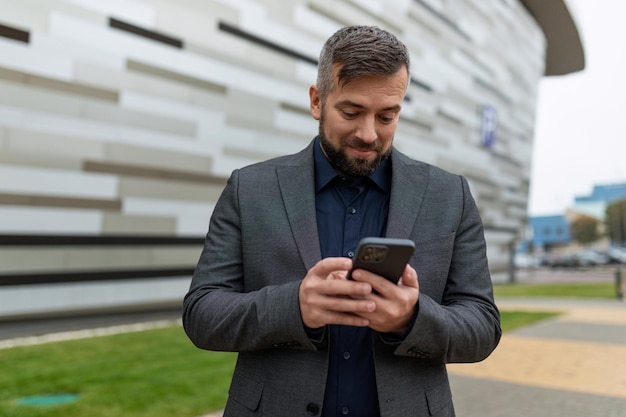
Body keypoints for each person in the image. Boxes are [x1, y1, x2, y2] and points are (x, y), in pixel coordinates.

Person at [183, 25, 501, 417]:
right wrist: (294, 306)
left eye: (386, 116)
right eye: (351, 112)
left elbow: (483, 326)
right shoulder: (249, 189)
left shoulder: (449, 194)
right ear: (317, 101)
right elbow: (201, 314)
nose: (369, 134)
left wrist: (412, 318)